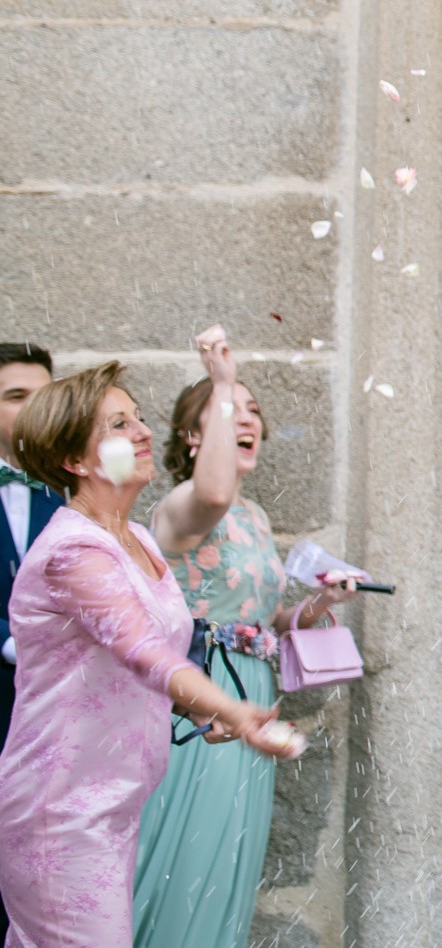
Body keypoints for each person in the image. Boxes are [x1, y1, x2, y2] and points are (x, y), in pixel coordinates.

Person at [0, 363, 298, 947]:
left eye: (137, 416)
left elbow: (138, 653)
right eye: (118, 424)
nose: (141, 431)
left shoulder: (133, 538)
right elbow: (141, 650)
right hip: (62, 811)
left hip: (115, 802)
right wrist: (233, 710)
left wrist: (195, 712)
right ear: (76, 462)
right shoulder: (73, 550)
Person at [133, 327, 358, 948]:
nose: (247, 418)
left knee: (226, 870)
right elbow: (213, 489)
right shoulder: (180, 505)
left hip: (253, 695)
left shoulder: (255, 518)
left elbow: (264, 620)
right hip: (200, 701)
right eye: (231, 411)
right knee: (182, 860)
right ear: (192, 436)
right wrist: (222, 380)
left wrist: (320, 603)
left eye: (255, 411)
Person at [0, 344, 60, 746]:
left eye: (45, 397)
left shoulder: (76, 490)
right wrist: (14, 644)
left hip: (54, 716)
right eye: (17, 397)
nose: (36, 409)